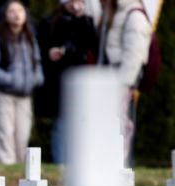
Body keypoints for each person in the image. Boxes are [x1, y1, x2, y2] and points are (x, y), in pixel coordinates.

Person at [36, 0, 98, 164]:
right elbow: (42, 50)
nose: (75, 5)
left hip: (82, 81)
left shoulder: (87, 22)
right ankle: (61, 163)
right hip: (59, 82)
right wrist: (50, 53)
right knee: (61, 124)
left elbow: (92, 46)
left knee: (81, 124)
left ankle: (81, 163)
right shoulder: (50, 22)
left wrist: (82, 19)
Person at [0, 0, 44, 165]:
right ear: (5, 15)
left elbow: (37, 63)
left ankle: (21, 169)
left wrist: (35, 79)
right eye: (12, 11)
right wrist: (8, 79)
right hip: (4, 94)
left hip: (25, 95)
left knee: (22, 134)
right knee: (5, 132)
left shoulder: (30, 40)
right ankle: (6, 167)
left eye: (20, 11)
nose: (17, 15)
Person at [97, 0, 152, 165]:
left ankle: (122, 174)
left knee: (122, 132)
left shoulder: (134, 15)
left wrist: (123, 85)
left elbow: (134, 55)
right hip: (109, 83)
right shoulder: (114, 11)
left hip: (121, 86)